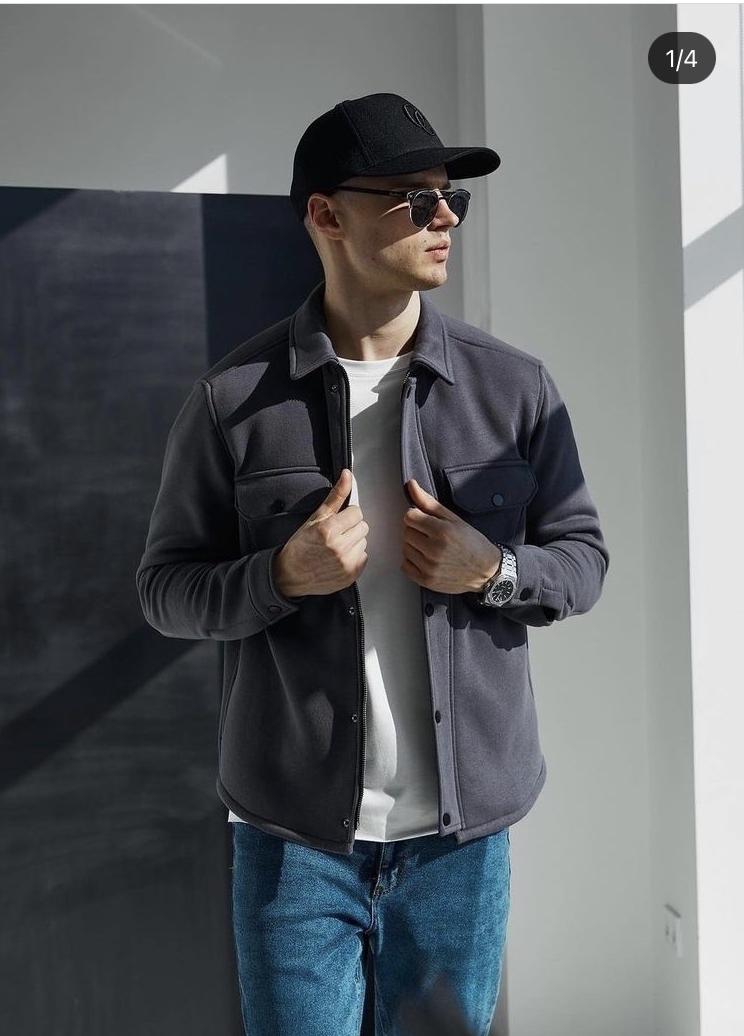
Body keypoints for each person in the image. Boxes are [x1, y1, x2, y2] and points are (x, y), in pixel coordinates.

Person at [136, 92, 609, 1036]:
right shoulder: (234, 401)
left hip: (459, 849)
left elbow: (583, 560)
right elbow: (165, 590)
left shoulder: (513, 388)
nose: (445, 218)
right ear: (327, 215)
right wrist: (280, 575)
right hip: (294, 845)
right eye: (415, 198)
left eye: (450, 198)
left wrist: (493, 570)